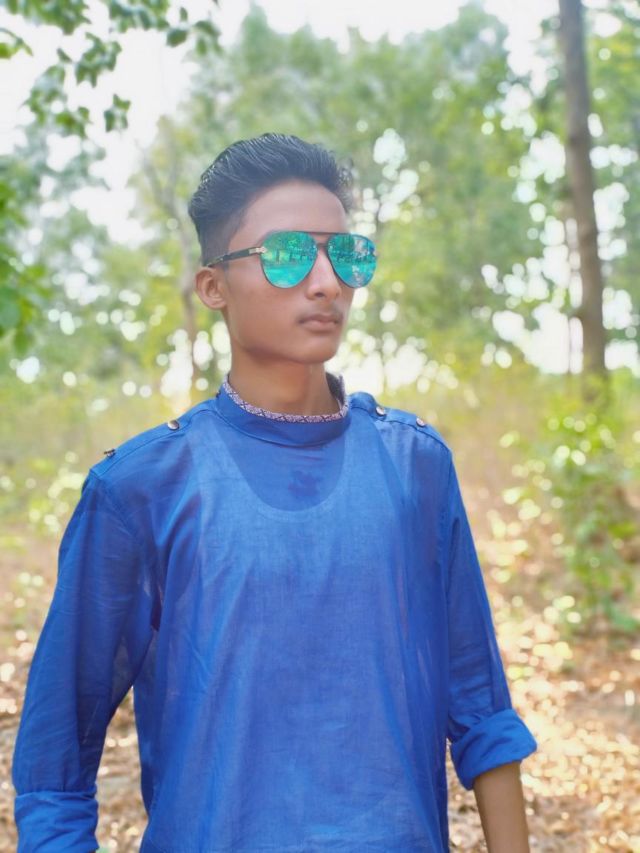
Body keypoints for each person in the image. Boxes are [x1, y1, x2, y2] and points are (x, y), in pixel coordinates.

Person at [12, 132, 537, 852]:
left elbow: (482, 709)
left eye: (346, 255)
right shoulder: (141, 488)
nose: (326, 282)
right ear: (213, 287)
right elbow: (54, 763)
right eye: (288, 254)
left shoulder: (414, 466)